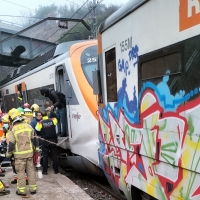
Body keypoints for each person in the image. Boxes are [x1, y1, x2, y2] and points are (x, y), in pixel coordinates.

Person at [6, 108, 39, 196]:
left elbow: (11, 144)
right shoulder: (29, 126)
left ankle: (22, 191)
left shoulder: (13, 129)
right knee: (31, 171)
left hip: (19, 156)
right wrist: (36, 149)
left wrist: (8, 154)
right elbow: (35, 139)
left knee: (20, 172)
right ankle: (33, 189)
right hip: (29, 154)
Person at [35, 110, 58, 175]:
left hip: (45, 141)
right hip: (53, 140)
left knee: (45, 156)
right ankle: (56, 170)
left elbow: (37, 130)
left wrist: (41, 134)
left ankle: (45, 171)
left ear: (41, 116)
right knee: (54, 155)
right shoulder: (53, 120)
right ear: (47, 114)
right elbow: (56, 122)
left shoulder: (40, 122)